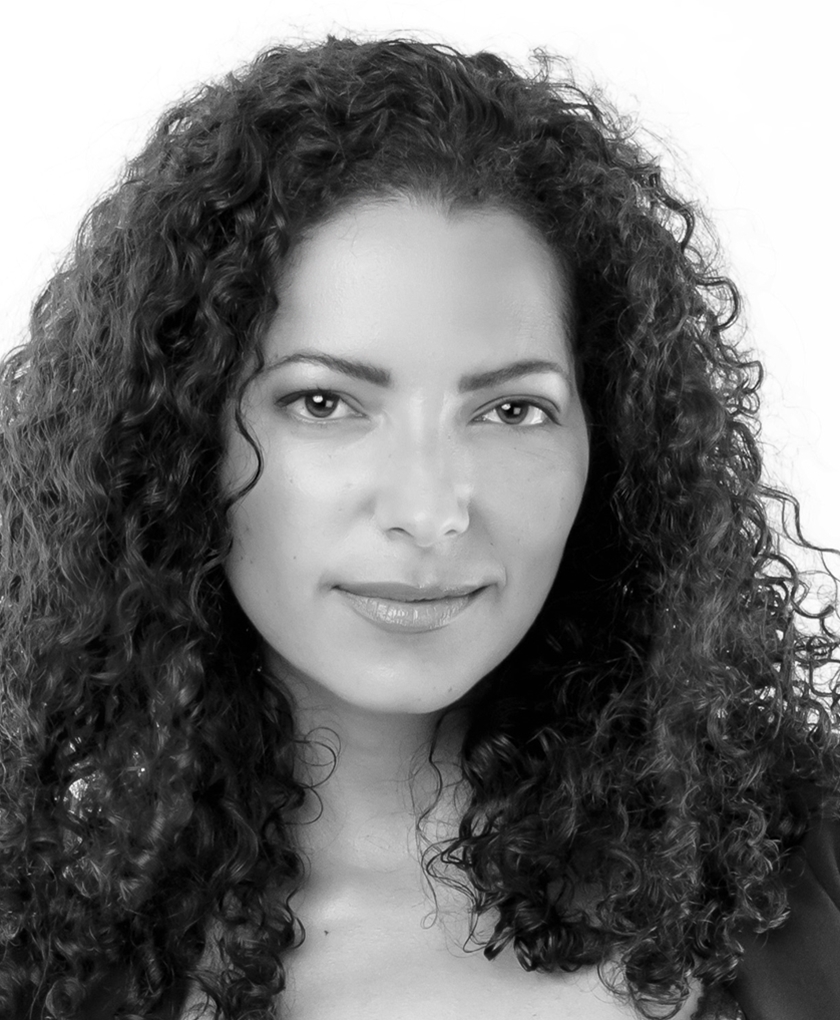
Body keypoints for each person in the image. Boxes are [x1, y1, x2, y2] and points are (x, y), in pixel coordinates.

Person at [0, 36, 838, 1020]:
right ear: (178, 442)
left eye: (511, 410)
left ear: (610, 447)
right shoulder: (49, 953)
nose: (431, 509)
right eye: (324, 403)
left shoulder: (811, 870)